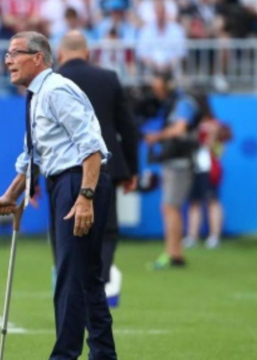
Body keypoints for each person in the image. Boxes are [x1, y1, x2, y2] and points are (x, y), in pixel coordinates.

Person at [0, 31, 117, 360]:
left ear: (38, 57)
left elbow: (91, 146)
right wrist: (10, 196)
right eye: (7, 54)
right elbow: (31, 156)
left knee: (70, 275)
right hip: (66, 182)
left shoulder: (57, 90)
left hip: (78, 182)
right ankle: (103, 354)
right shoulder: (37, 95)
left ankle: (65, 355)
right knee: (86, 276)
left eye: (15, 53)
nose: (8, 60)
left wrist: (86, 196)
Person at [56, 31, 139, 292]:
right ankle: (98, 287)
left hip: (60, 169)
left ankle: (70, 289)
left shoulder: (51, 81)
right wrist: (131, 171)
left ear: (60, 54)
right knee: (106, 230)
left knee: (63, 233)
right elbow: (128, 128)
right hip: (105, 166)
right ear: (88, 53)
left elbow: (38, 132)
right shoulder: (108, 78)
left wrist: (32, 177)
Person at [145, 72, 201, 269]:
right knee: (169, 207)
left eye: (159, 88)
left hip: (180, 162)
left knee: (170, 207)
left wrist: (157, 137)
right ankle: (173, 252)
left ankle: (174, 254)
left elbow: (179, 129)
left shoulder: (183, 103)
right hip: (173, 162)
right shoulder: (174, 103)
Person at [182, 96, 231, 249]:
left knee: (212, 201)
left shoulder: (214, 125)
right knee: (194, 203)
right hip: (194, 167)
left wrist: (211, 134)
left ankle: (214, 236)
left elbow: (217, 147)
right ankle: (192, 236)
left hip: (209, 169)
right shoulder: (192, 125)